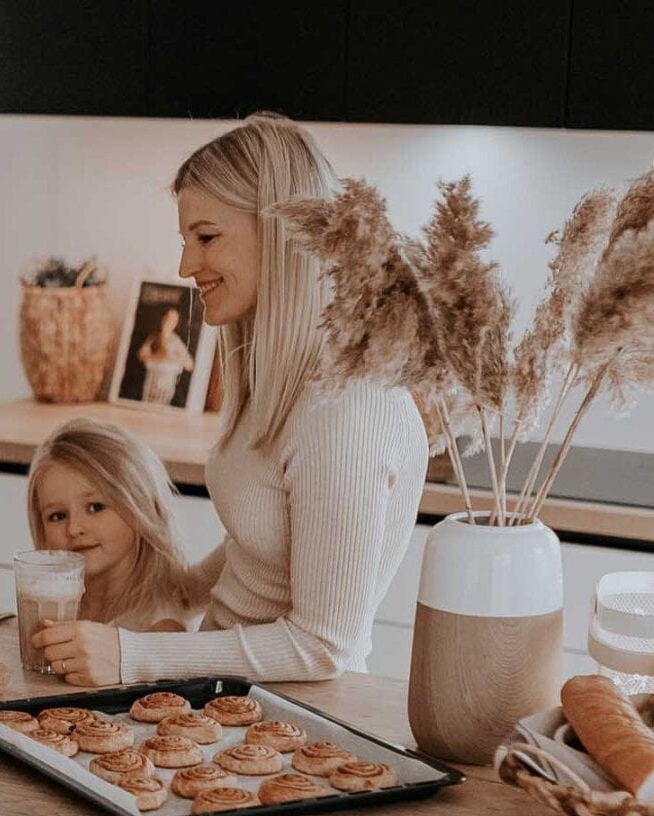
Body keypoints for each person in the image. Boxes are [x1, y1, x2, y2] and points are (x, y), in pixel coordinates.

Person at [34, 114, 428, 688]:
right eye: (185, 240)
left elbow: (325, 648)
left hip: (294, 720)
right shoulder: (276, 377)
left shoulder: (346, 409)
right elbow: (264, 539)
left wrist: (133, 655)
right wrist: (173, 592)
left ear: (280, 232)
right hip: (226, 698)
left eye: (206, 237)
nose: (186, 266)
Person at [26, 417, 186, 626]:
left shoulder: (160, 627)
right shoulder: (48, 606)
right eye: (58, 516)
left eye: (95, 507)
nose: (74, 528)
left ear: (139, 505)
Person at [137, 305, 194, 405]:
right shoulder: (154, 337)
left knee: (161, 404)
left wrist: (171, 358)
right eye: (167, 317)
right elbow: (142, 355)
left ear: (176, 323)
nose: (169, 321)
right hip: (152, 381)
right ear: (163, 318)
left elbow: (190, 364)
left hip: (166, 383)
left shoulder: (176, 341)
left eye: (173, 320)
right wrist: (158, 356)